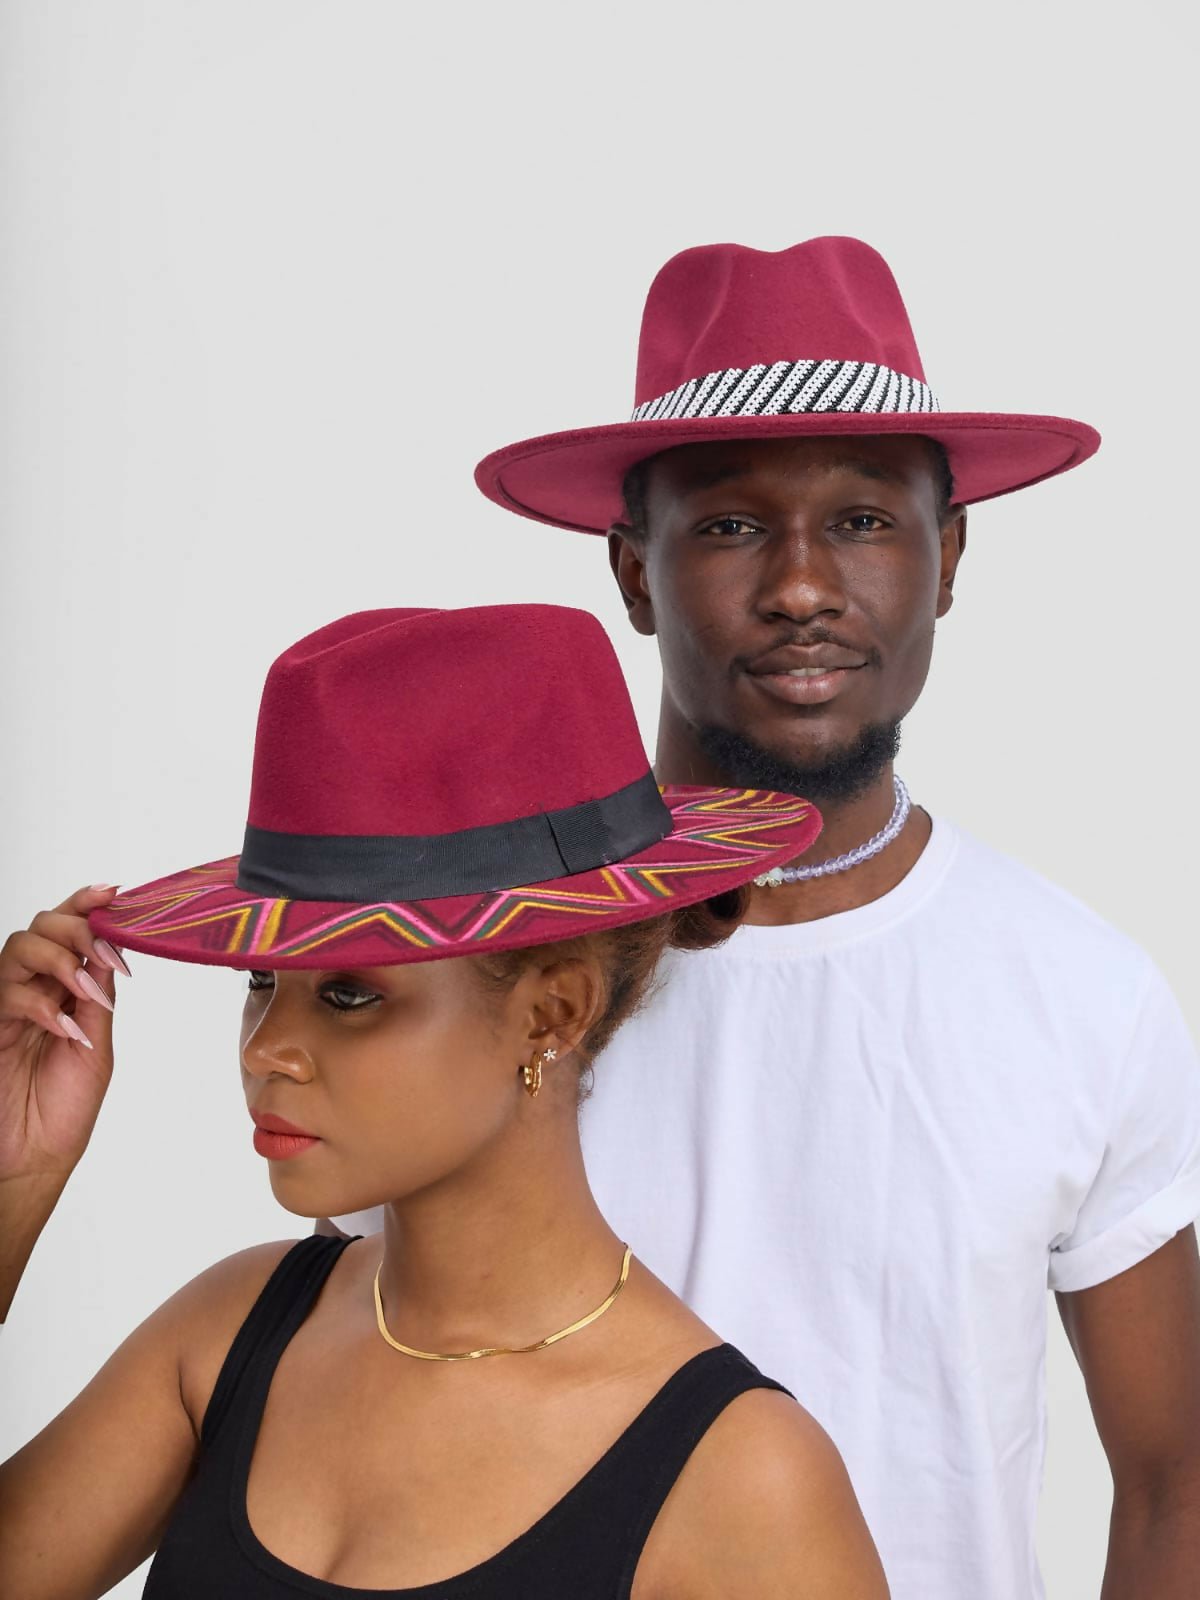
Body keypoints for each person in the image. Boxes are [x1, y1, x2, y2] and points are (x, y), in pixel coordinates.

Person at [468, 237, 1200, 1597]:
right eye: (731, 526)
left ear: (948, 555)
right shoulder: (487, 978)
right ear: (634, 574)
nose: (802, 588)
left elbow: (1174, 1482)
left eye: (863, 520)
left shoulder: (1081, 995)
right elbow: (343, 1406)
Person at [0, 603, 888, 1600]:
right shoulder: (225, 1335)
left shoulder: (743, 1484)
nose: (266, 1049)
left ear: (552, 1012)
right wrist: (13, 1181)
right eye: (261, 981)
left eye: (349, 994)